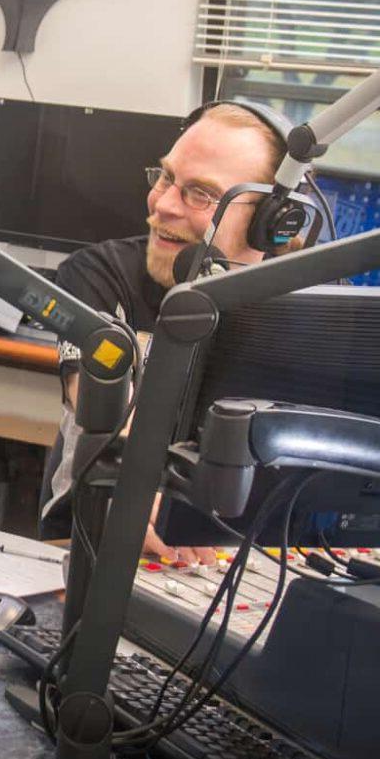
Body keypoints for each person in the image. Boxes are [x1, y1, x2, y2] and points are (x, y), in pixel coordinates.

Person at [46, 101, 314, 563]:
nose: (163, 205)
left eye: (201, 193)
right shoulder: (101, 273)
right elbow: (95, 395)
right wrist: (138, 487)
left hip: (258, 565)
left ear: (273, 219)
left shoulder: (316, 307)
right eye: (167, 178)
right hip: (105, 550)